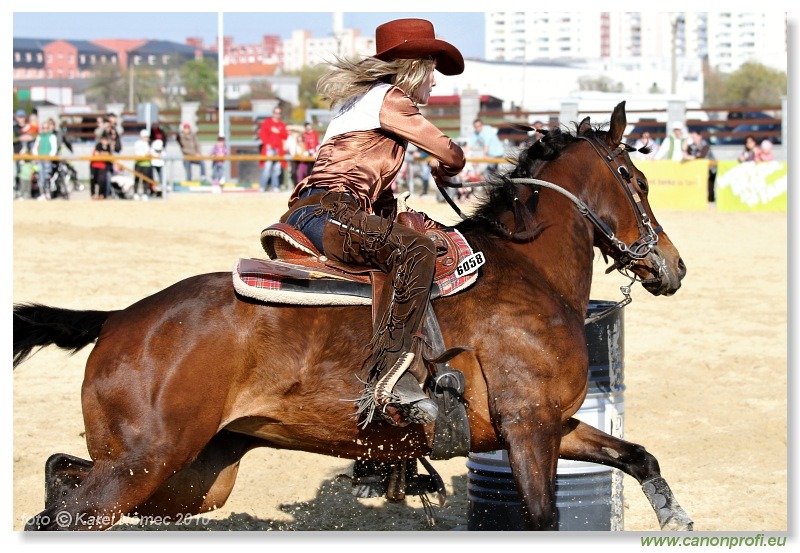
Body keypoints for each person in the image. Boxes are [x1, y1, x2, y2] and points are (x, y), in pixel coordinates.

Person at [278, 18, 465, 428]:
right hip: (331, 213)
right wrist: (449, 164)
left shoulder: (364, 101)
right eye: (432, 69)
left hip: (317, 211)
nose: (435, 81)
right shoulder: (390, 98)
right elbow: (450, 152)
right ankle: (391, 379)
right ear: (415, 66)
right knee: (416, 250)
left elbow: (369, 185)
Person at [258, 106, 289, 192]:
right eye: (275, 113)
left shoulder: (281, 125)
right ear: (273, 113)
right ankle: (262, 186)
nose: (277, 115)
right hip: (269, 149)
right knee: (267, 168)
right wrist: (266, 143)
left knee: (277, 169)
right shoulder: (267, 122)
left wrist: (278, 132)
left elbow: (285, 135)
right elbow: (262, 134)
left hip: (278, 150)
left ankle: (275, 186)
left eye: (278, 113)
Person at [684, 130, 717, 203]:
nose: (693, 139)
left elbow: (701, 156)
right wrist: (686, 140)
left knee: (710, 187)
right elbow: (684, 151)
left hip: (711, 170)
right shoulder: (692, 146)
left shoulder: (705, 145)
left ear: (700, 136)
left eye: (695, 137)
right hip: (699, 170)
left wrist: (690, 157)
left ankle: (710, 202)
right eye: (692, 138)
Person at [90, 134, 113, 199]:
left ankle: (101, 194)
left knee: (102, 180)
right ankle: (93, 194)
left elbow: (109, 154)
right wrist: (104, 154)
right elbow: (96, 154)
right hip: (94, 165)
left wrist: (101, 153)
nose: (105, 141)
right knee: (93, 180)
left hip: (102, 165)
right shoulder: (98, 145)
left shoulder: (108, 146)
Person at [133, 129, 153, 200]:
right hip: (138, 163)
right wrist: (145, 155)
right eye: (145, 136)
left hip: (146, 164)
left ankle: (145, 193)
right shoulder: (137, 143)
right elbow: (137, 153)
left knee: (146, 180)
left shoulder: (148, 143)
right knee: (137, 179)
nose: (146, 138)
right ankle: (135, 193)